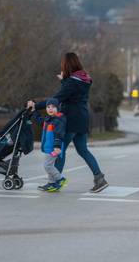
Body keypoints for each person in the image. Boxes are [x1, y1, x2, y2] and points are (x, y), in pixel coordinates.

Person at [27, 52, 108, 193]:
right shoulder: (84, 78)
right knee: (83, 150)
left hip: (70, 119)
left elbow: (57, 99)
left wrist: (36, 106)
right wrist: (64, 81)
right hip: (82, 119)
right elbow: (72, 94)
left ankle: (55, 182)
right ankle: (99, 178)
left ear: (67, 65)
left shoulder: (71, 82)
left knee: (59, 150)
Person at [31, 98, 67, 192]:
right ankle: (51, 183)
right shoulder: (48, 119)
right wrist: (34, 110)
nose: (50, 109)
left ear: (58, 108)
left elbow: (59, 135)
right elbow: (39, 120)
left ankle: (60, 179)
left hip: (53, 149)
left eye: (53, 107)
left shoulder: (58, 121)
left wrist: (57, 147)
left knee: (47, 166)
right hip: (48, 148)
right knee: (50, 165)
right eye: (48, 107)